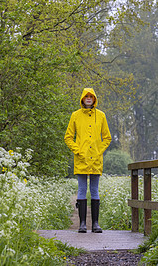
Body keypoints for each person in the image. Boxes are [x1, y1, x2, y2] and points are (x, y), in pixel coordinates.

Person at [64, 88, 112, 233]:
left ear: (95, 99)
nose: (89, 98)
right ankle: (83, 224)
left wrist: (98, 151)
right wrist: (78, 150)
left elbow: (107, 138)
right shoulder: (75, 116)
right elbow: (68, 137)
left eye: (91, 96)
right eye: (87, 96)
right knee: (82, 189)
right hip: (81, 159)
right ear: (83, 99)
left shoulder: (101, 116)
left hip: (96, 159)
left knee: (95, 190)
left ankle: (95, 224)